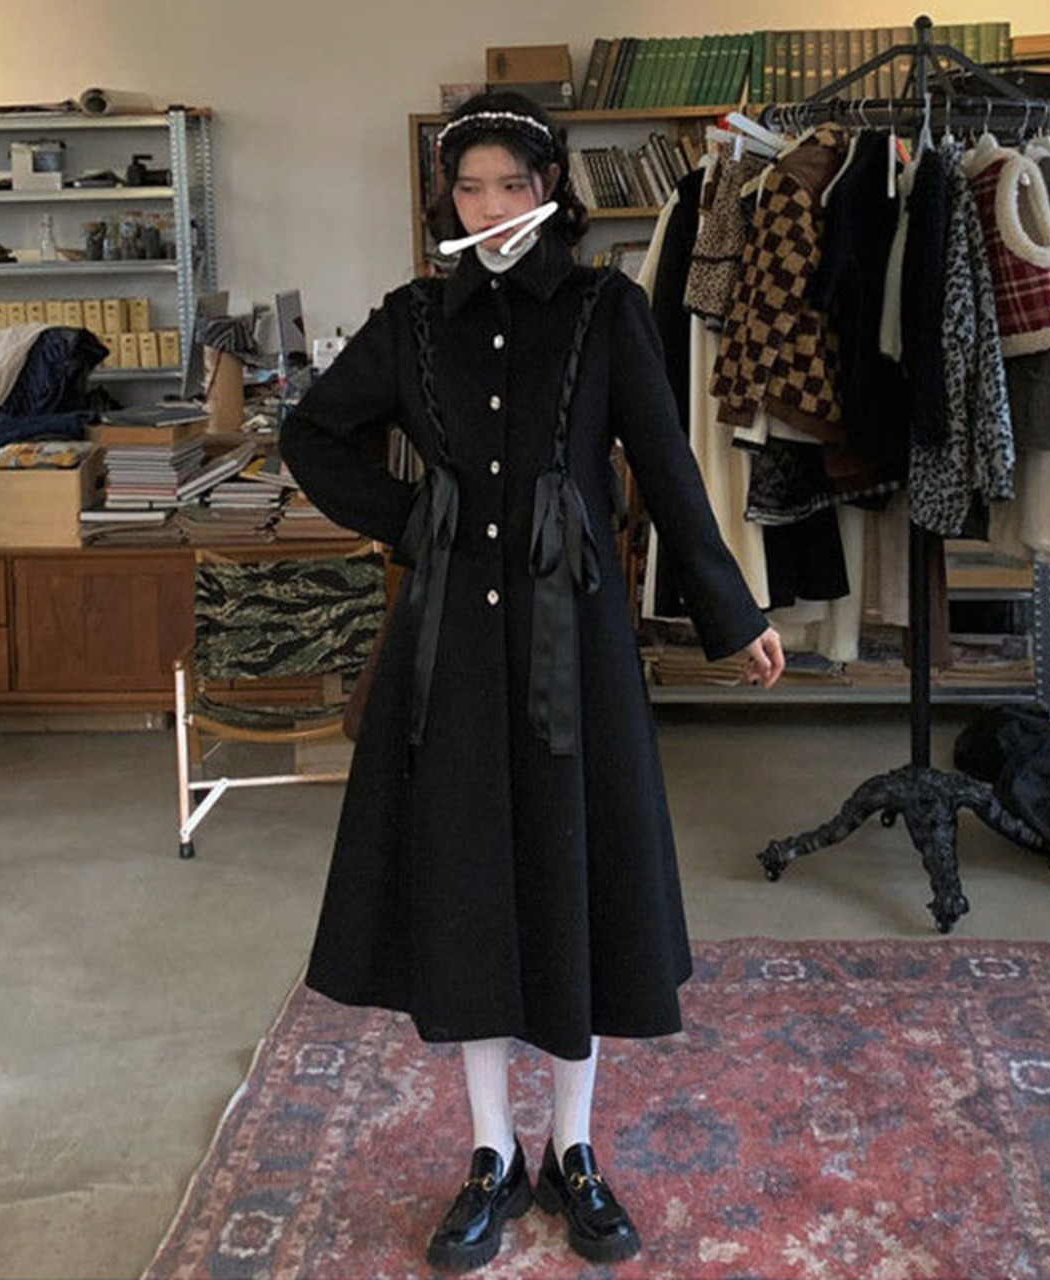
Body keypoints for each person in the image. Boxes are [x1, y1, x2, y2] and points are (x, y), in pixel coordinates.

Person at [280, 89, 784, 1272]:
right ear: (446, 200)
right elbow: (311, 435)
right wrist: (415, 519)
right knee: (466, 884)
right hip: (450, 647)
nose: (490, 206)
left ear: (548, 187)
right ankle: (490, 1152)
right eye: (469, 188)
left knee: (569, 878)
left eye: (511, 183)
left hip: (575, 641)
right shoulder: (412, 319)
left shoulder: (608, 310)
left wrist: (731, 613)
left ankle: (574, 1146)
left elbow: (664, 464)